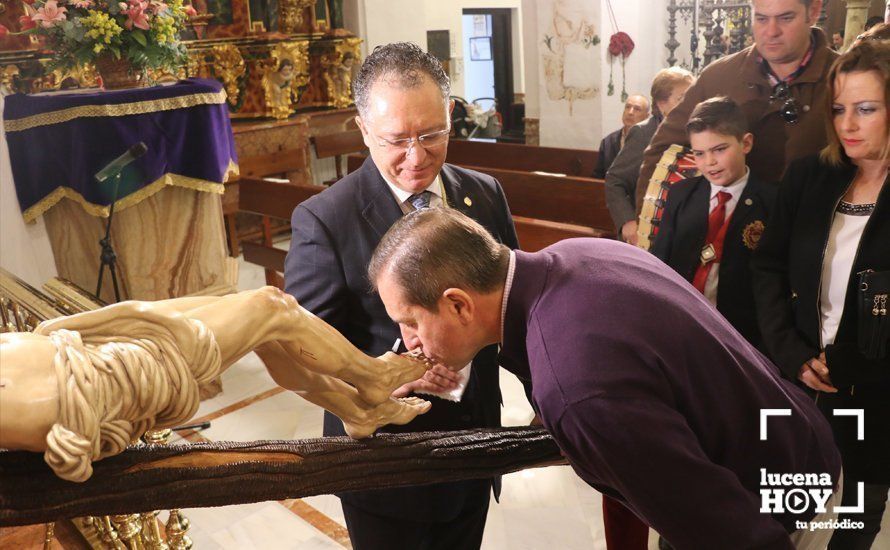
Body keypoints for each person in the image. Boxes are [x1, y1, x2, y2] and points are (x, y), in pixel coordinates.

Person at [369, 207, 842, 549]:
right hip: (787, 434)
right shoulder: (576, 252)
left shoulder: (579, 390)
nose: (407, 341)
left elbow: (724, 530)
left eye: (410, 321)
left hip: (777, 503)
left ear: (458, 304)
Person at [284, 42, 520, 550]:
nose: (417, 157)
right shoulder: (326, 219)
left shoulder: (486, 193)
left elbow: (513, 308)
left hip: (475, 442)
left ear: (451, 119)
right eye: (396, 139)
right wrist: (383, 373)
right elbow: (298, 347)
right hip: (384, 461)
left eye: (433, 134)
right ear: (364, 128)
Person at [0, 287, 433, 482]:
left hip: (77, 345)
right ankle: (374, 379)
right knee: (270, 308)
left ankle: (356, 412)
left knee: (251, 308)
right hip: (102, 379)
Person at [752, 40, 890, 549]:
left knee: (856, 516)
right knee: (784, 510)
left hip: (876, 392)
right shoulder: (811, 176)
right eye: (839, 109)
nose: (848, 124)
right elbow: (766, 265)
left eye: (866, 109)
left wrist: (853, 366)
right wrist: (790, 352)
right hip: (799, 377)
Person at [636, 0, 838, 212]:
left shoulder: (842, 79)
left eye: (786, 18)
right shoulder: (719, 76)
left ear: (813, 11)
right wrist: (644, 223)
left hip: (812, 231)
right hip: (728, 231)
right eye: (761, 18)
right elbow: (661, 149)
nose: (771, 31)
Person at [652, 97, 776, 348]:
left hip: (741, 334)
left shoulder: (772, 202)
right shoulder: (681, 194)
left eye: (720, 149)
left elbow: (774, 283)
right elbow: (659, 261)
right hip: (680, 323)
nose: (709, 162)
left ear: (746, 143)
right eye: (699, 153)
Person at [605, 67, 695, 244]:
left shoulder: (695, 131)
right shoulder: (644, 132)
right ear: (662, 104)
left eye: (692, 96)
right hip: (647, 232)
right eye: (682, 98)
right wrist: (627, 221)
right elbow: (614, 180)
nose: (690, 103)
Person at [592, 94, 650, 179]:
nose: (630, 112)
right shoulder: (608, 141)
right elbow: (598, 176)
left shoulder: (651, 142)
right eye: (627, 107)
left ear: (646, 116)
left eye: (637, 109)